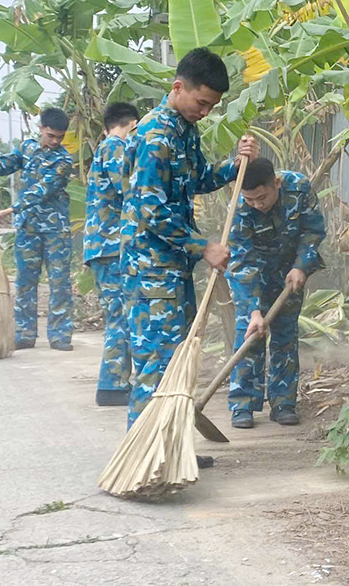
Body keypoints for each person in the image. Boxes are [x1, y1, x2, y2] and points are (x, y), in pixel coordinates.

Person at [119, 49, 245, 439]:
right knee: (156, 363)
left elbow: (200, 178)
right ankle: (141, 457)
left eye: (212, 106)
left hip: (173, 267)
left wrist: (234, 164)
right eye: (202, 102)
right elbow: (149, 209)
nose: (205, 111)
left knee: (176, 359)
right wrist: (203, 246)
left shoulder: (183, 130)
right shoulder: (156, 135)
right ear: (178, 88)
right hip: (150, 269)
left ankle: (169, 452)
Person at [224, 151, 326, 429]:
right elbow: (242, 262)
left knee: (285, 335)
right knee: (250, 333)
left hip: (289, 273)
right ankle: (242, 405)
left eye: (262, 198)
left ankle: (283, 403)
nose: (257, 205)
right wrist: (254, 309)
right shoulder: (239, 210)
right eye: (250, 199)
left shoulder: (298, 187)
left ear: (276, 184)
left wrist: (302, 265)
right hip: (252, 272)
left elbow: (312, 230)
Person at [0, 108, 75, 351]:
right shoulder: (27, 148)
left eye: (60, 137)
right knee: (26, 281)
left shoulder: (64, 160)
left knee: (59, 282)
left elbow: (44, 189)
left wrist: (10, 210)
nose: (56, 141)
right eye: (51, 135)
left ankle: (60, 334)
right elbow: (4, 165)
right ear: (40, 129)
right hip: (28, 226)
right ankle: (25, 333)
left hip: (55, 229)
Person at [84, 101, 142, 406]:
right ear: (133, 124)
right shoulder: (115, 147)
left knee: (118, 315)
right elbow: (132, 189)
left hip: (103, 247)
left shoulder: (104, 147)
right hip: (111, 247)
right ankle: (113, 385)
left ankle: (114, 382)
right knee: (122, 315)